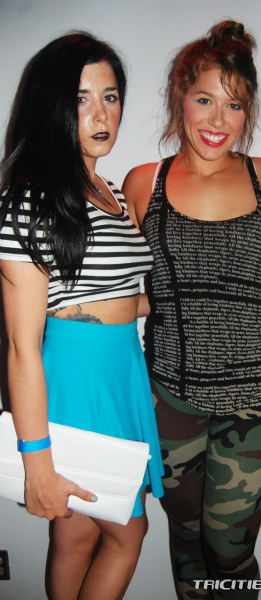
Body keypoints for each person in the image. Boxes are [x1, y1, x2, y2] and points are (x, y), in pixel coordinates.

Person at [123, 20, 261, 600]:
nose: (218, 120)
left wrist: (223, 288)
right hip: (170, 396)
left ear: (249, 112)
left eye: (234, 105)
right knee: (186, 540)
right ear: (181, 98)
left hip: (254, 398)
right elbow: (137, 289)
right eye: (205, 100)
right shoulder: (144, 183)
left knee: (229, 549)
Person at [0, 32, 163, 600]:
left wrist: (184, 296)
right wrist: (36, 462)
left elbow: (114, 296)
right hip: (73, 375)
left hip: (121, 366)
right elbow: (22, 345)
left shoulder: (108, 190)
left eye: (110, 97)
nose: (100, 114)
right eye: (80, 99)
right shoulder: (30, 198)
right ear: (51, 106)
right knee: (112, 535)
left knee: (95, 532)